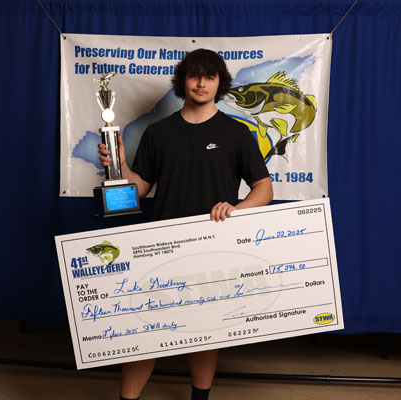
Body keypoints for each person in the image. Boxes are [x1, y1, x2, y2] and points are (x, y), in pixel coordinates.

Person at [98, 49, 273, 400]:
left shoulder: (237, 132)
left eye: (210, 76)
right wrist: (119, 166)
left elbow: (264, 189)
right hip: (162, 246)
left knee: (205, 332)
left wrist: (236, 210)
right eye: (195, 75)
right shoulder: (158, 133)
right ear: (183, 81)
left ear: (220, 83)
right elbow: (141, 188)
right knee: (145, 333)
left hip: (214, 246)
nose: (201, 83)